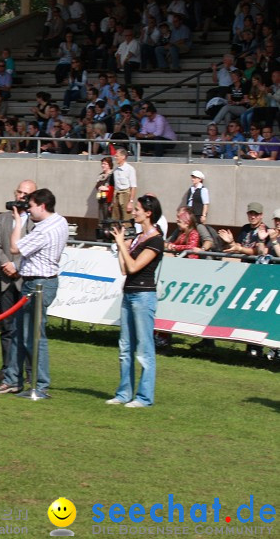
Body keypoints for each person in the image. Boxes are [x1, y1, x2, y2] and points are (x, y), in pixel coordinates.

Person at [0, 188, 68, 397]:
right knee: (19, 332)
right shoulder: (61, 221)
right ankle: (13, 379)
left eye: (30, 206)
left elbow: (14, 248)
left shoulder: (43, 230)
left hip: (37, 284)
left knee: (34, 337)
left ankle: (40, 384)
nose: (27, 210)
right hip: (39, 282)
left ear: (42, 206)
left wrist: (18, 222)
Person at [107, 195, 164, 408]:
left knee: (144, 349)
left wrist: (123, 245)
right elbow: (124, 268)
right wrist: (122, 245)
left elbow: (134, 267)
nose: (134, 212)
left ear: (148, 212)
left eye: (137, 209)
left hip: (143, 296)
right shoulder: (139, 237)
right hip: (129, 293)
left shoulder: (156, 240)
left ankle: (144, 397)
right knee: (125, 347)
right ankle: (124, 393)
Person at [0, 180, 37, 381]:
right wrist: (6, 264)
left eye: (26, 193)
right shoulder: (3, 218)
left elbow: (34, 248)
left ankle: (29, 372)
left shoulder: (36, 221)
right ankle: (8, 368)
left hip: (25, 280)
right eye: (19, 192)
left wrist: (17, 266)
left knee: (27, 328)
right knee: (7, 327)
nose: (21, 196)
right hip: (5, 280)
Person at [110, 148, 136, 223]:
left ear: (123, 157)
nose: (115, 158)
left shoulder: (130, 169)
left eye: (117, 156)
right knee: (115, 219)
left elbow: (133, 187)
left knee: (126, 220)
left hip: (125, 195)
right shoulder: (115, 170)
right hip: (116, 195)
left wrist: (130, 202)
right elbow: (115, 187)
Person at [95, 157, 114, 235]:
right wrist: (99, 187)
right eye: (102, 164)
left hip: (109, 200)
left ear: (109, 165)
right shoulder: (101, 175)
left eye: (105, 164)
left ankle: (108, 237)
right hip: (101, 200)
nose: (103, 165)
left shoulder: (112, 175)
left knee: (108, 219)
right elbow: (97, 185)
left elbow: (114, 187)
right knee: (101, 220)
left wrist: (106, 188)